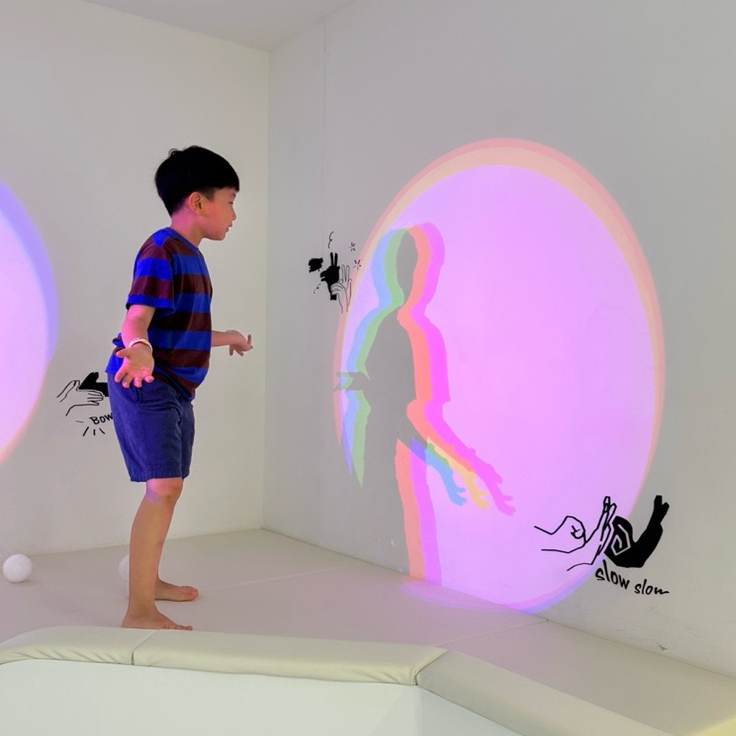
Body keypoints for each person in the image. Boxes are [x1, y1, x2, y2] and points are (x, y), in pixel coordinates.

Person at [105, 146, 252, 630]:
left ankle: (148, 584)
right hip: (146, 380)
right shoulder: (161, 249)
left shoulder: (192, 257)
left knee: (169, 488)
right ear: (199, 201)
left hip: (174, 386)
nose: (234, 214)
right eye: (230, 201)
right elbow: (136, 318)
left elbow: (184, 329)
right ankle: (139, 611)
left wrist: (229, 337)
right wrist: (139, 348)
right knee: (163, 488)